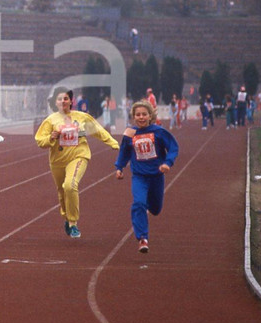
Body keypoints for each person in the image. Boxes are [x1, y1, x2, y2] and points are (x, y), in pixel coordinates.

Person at [34, 87, 119, 239]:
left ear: (71, 101)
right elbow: (40, 141)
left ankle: (73, 223)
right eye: (60, 99)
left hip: (79, 155)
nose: (63, 101)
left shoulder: (81, 117)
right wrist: (51, 138)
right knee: (62, 192)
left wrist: (112, 142)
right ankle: (67, 217)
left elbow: (97, 130)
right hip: (58, 160)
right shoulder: (50, 120)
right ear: (56, 102)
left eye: (66, 98)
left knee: (70, 185)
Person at [115, 100, 179, 253]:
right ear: (133, 116)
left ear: (150, 116)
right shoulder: (130, 132)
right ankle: (143, 238)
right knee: (138, 204)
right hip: (139, 177)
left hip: (156, 176)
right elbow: (124, 151)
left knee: (156, 209)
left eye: (144, 114)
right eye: (138, 115)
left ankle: (150, 208)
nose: (141, 117)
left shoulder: (159, 131)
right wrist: (119, 167)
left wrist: (167, 163)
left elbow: (173, 147)